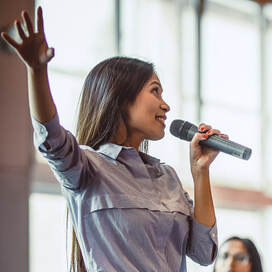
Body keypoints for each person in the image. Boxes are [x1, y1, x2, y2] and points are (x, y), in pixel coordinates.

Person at [1, 7, 229, 272]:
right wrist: (37, 72)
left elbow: (204, 252)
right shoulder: (86, 168)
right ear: (120, 98)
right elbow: (50, 138)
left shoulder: (167, 178)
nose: (166, 106)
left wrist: (200, 171)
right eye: (155, 91)